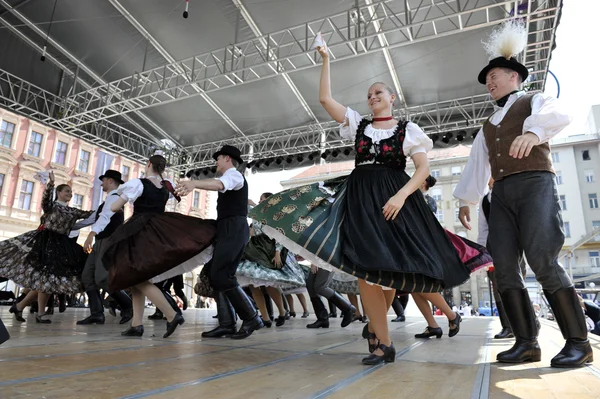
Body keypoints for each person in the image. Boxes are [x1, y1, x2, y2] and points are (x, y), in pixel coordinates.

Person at [247, 42, 490, 365]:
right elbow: (324, 99)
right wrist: (326, 59)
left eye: (379, 93)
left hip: (393, 200)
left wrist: (401, 196)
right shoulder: (358, 125)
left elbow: (423, 169)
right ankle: (382, 342)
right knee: (366, 271)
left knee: (387, 268)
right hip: (360, 199)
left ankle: (387, 332)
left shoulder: (408, 130)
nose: (373, 97)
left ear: (392, 98)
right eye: (369, 95)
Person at [454, 21, 592, 367]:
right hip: (501, 194)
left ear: (514, 76)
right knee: (503, 266)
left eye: (494, 76)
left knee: (542, 259)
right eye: (487, 80)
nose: (490, 83)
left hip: (534, 184)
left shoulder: (534, 100)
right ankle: (526, 342)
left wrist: (533, 133)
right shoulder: (488, 125)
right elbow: (477, 163)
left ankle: (579, 342)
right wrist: (466, 200)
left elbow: (559, 114)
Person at [102, 153, 215, 338]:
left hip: (139, 231)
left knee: (137, 277)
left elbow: (115, 208)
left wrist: (117, 198)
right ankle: (136, 324)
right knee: (136, 277)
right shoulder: (165, 186)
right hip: (156, 231)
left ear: (148, 164)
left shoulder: (139, 183)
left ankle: (171, 314)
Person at [176, 145, 264, 339]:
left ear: (227, 159)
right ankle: (227, 324)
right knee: (217, 275)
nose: (215, 161)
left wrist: (194, 184)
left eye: (218, 158)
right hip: (227, 228)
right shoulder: (232, 178)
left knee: (222, 275)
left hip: (233, 228)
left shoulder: (234, 176)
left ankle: (251, 317)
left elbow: (219, 184)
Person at [3, 173, 94, 323]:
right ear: (59, 192)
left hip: (61, 244)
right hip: (46, 243)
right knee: (46, 280)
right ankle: (35, 312)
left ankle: (21, 307)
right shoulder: (51, 206)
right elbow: (45, 199)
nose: (70, 194)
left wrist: (109, 208)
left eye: (71, 192)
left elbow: (90, 214)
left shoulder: (72, 211)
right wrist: (51, 183)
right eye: (67, 191)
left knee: (47, 280)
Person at [74, 169, 133, 326]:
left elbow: (105, 218)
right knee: (87, 276)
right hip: (100, 241)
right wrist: (70, 227)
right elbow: (93, 218)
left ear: (111, 181)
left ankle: (128, 305)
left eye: (104, 180)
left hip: (108, 241)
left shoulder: (115, 198)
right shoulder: (107, 200)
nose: (102, 183)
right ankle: (97, 314)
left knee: (101, 278)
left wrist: (91, 234)